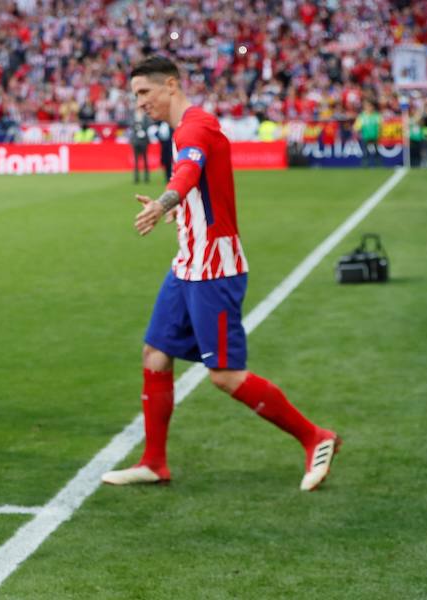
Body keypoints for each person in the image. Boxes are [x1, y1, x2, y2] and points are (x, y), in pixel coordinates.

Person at [101, 56, 339, 492]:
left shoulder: (195, 126)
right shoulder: (184, 129)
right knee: (155, 354)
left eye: (143, 93)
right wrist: (181, 212)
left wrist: (164, 204)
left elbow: (189, 172)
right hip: (187, 263)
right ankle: (154, 462)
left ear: (170, 85)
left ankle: (315, 437)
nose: (139, 103)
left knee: (225, 375)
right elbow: (199, 186)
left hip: (214, 269)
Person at [353, 99, 382, 167]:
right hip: (365, 136)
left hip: (375, 136)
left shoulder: (376, 116)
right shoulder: (362, 116)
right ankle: (365, 165)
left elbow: (380, 126)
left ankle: (378, 165)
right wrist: (356, 131)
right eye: (367, 106)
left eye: (370, 106)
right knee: (365, 152)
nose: (369, 108)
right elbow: (356, 126)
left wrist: (379, 134)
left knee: (376, 151)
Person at [128, 107, 151, 183]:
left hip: (144, 141)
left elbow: (148, 125)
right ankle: (136, 177)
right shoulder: (134, 117)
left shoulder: (145, 118)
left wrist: (143, 131)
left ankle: (146, 177)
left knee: (145, 159)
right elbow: (131, 126)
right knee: (136, 160)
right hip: (136, 141)